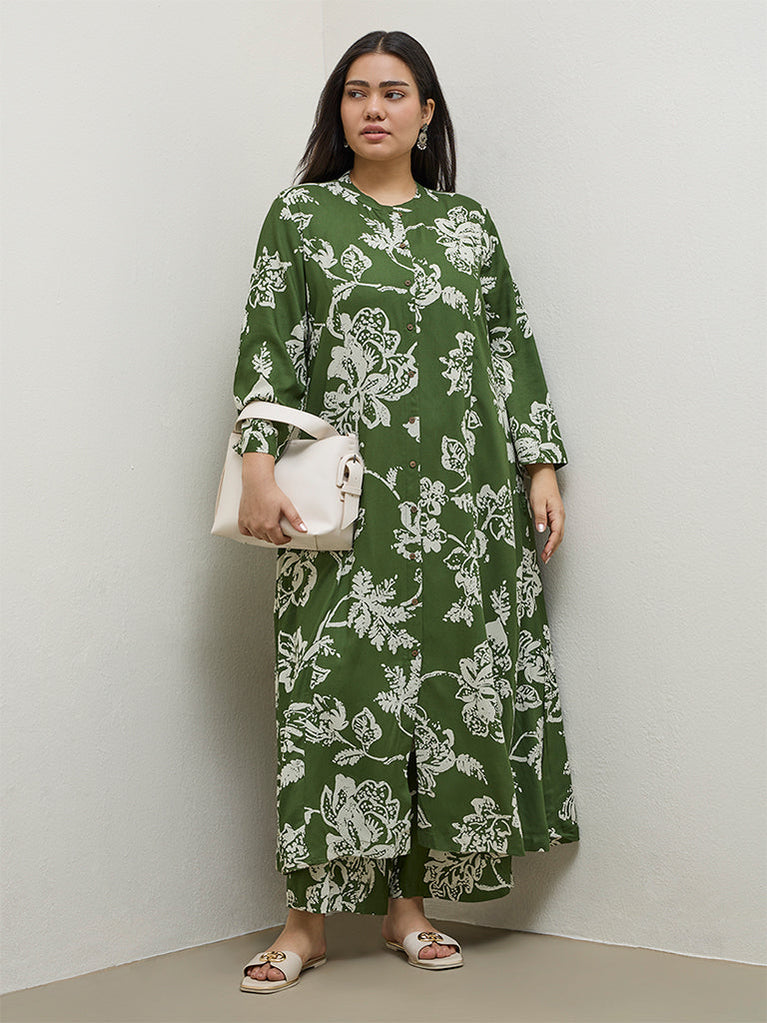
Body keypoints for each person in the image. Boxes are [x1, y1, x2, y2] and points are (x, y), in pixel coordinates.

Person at [231, 29, 580, 993]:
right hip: (343, 503)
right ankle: (303, 924)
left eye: (393, 92)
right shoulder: (300, 217)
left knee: (443, 697)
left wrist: (540, 464)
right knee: (328, 695)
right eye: (355, 92)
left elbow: (507, 344)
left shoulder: (467, 226)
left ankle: (409, 910)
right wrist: (255, 462)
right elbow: (268, 342)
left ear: (427, 114)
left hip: (465, 504)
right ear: (337, 112)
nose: (373, 107)